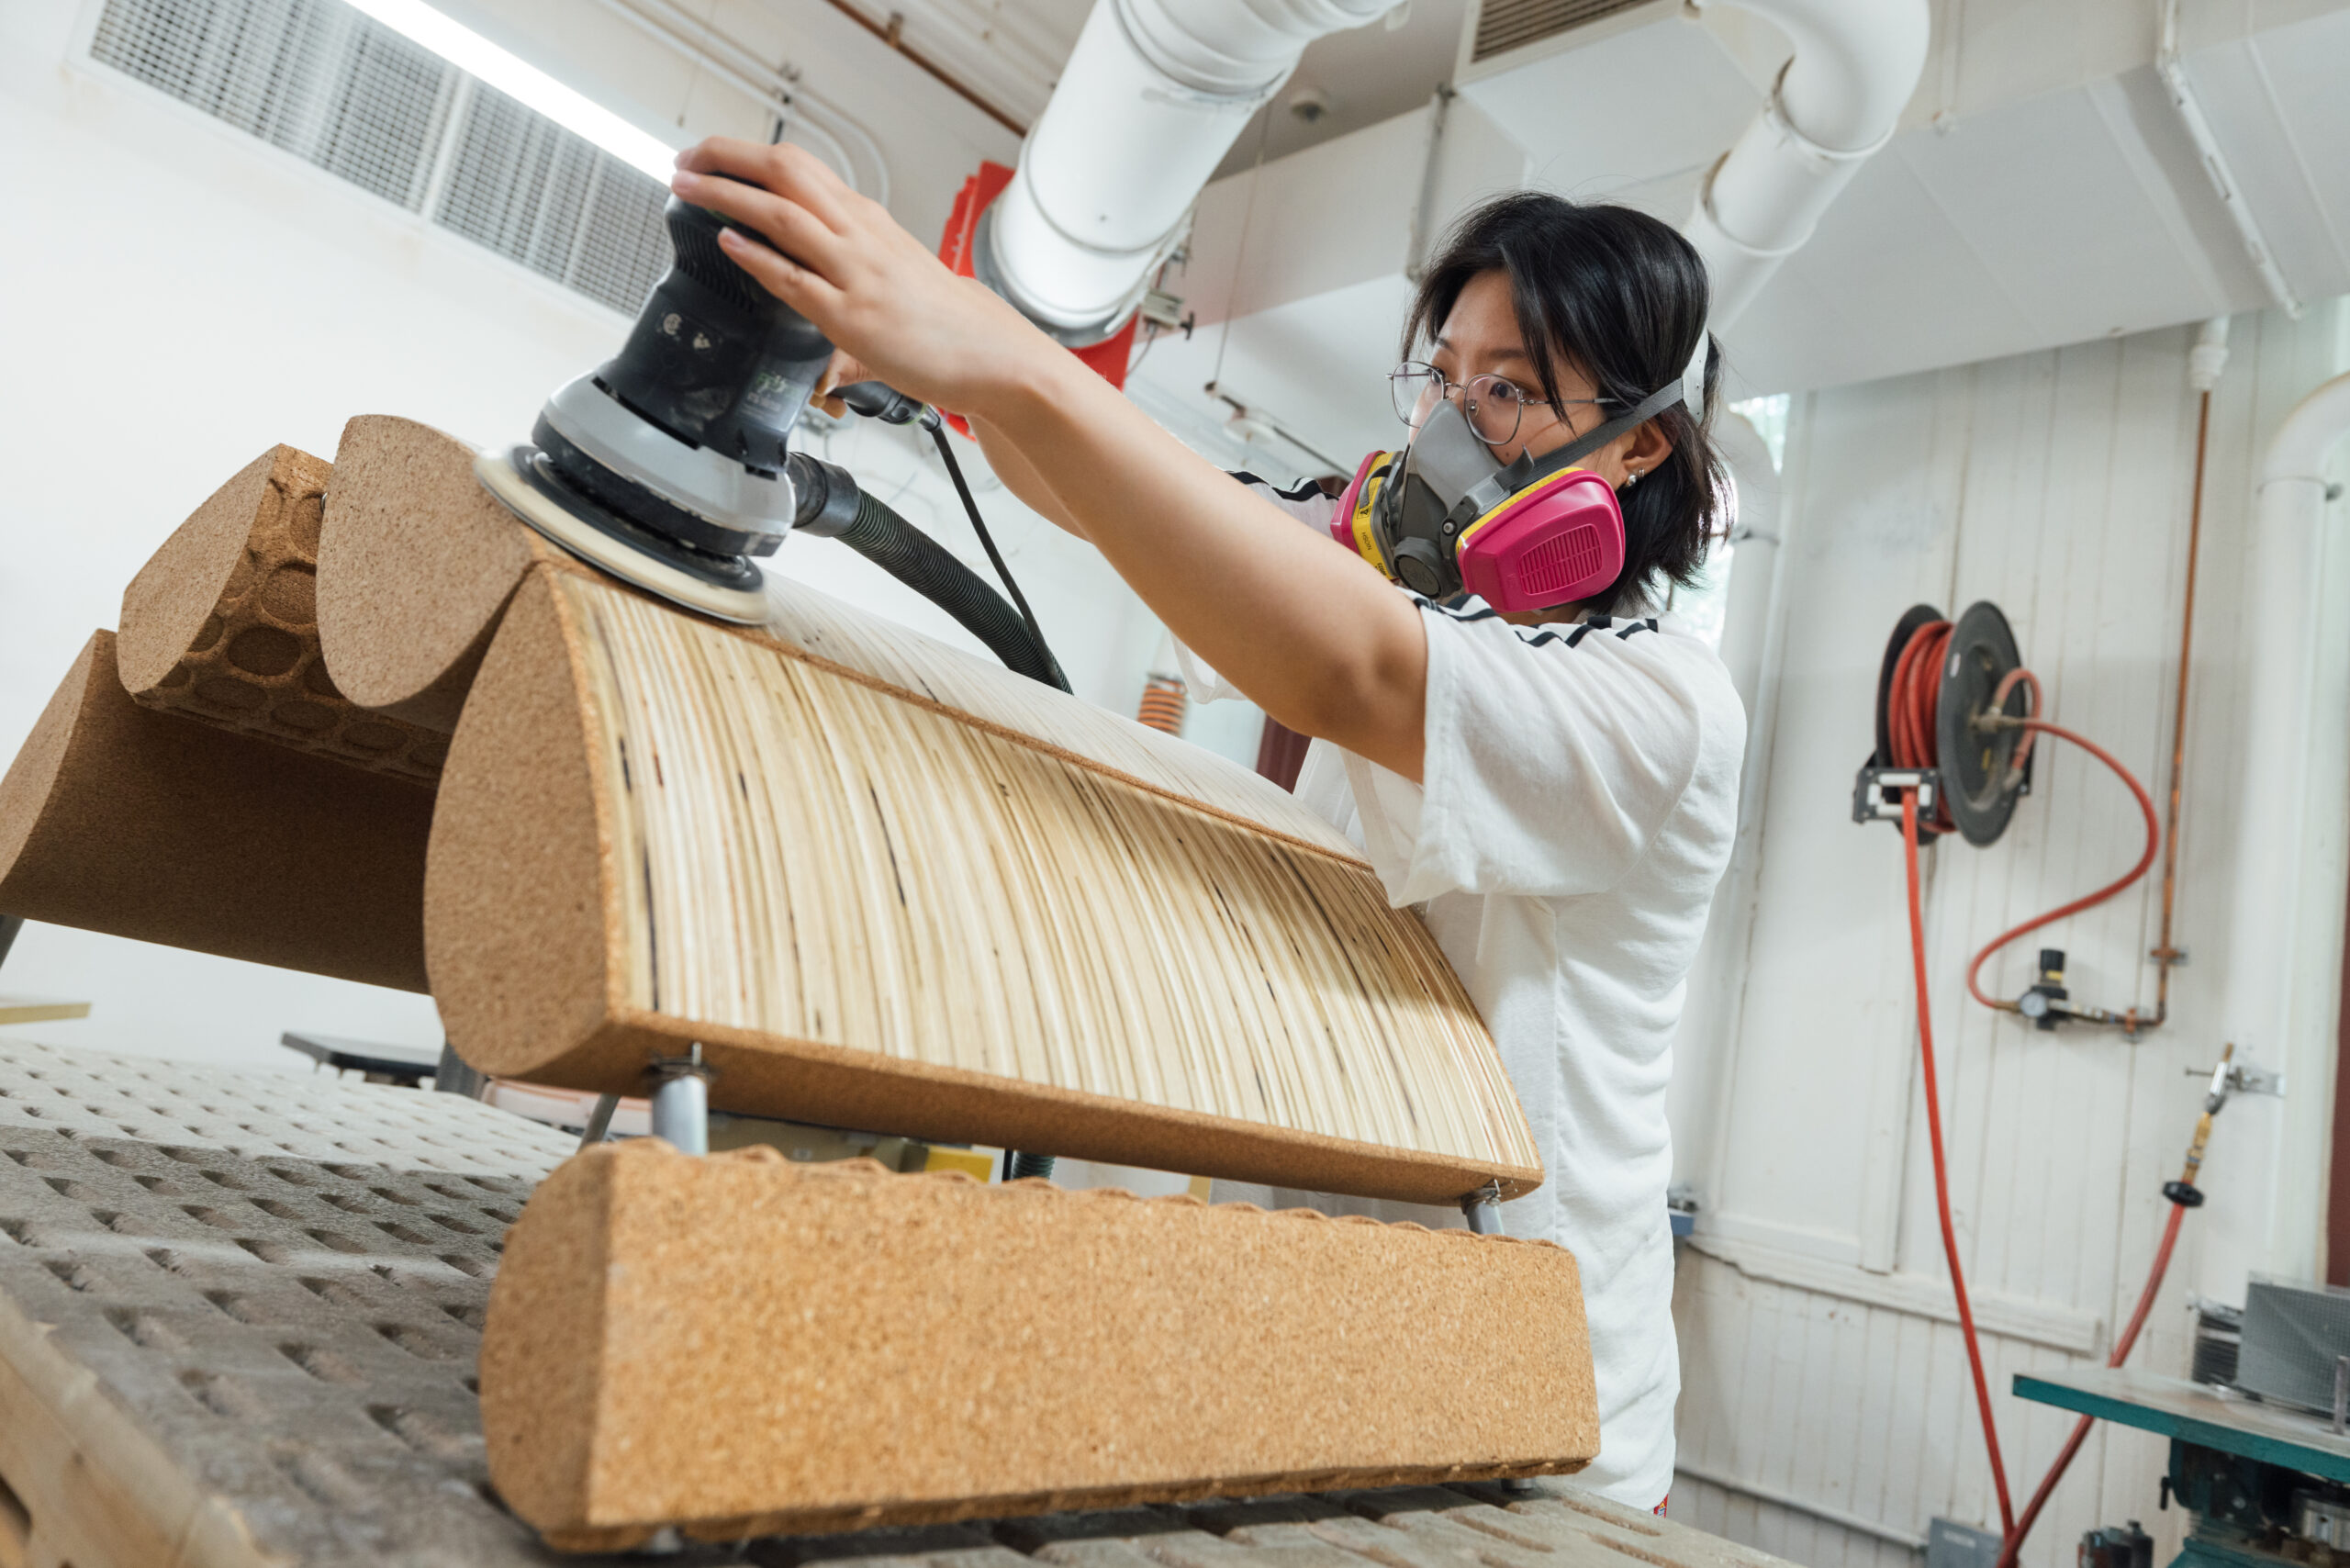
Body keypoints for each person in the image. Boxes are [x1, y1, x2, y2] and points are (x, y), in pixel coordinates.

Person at [668, 140, 1745, 1512]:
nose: (1455, 428)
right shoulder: (1415, 595)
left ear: (1640, 442)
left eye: (1514, 391)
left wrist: (996, 348)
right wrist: (933, 367)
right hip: (1320, 1341)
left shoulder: (1658, 707)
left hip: (1541, 1408)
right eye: (1448, 378)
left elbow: (1347, 672)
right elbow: (1116, 497)